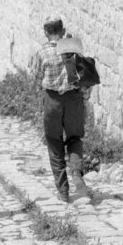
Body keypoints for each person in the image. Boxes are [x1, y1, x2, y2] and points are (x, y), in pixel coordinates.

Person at [32, 16, 91, 203]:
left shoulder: (41, 53)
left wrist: (38, 105)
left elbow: (35, 79)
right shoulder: (73, 49)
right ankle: (76, 173)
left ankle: (63, 191)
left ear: (45, 32)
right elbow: (84, 76)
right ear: (63, 30)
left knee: (54, 143)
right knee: (74, 138)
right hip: (73, 100)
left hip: (52, 101)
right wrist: (85, 96)